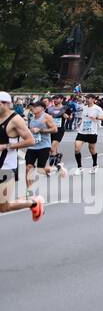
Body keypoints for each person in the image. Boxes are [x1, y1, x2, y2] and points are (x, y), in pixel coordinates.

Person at [0, 93, 44, 221]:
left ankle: (34, 203)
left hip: (6, 168)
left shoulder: (15, 119)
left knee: (3, 207)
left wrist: (5, 147)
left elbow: (30, 140)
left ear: (5, 104)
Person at [24, 98, 56, 192]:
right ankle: (29, 191)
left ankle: (57, 168)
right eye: (32, 106)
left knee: (40, 169)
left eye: (35, 106)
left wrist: (41, 130)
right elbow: (31, 130)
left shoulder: (46, 117)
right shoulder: (31, 117)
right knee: (28, 167)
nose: (32, 108)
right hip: (32, 146)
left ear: (42, 108)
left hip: (44, 146)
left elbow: (54, 129)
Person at [72, 95, 103, 173]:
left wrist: (96, 118)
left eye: (88, 98)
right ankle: (79, 167)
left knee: (92, 149)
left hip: (92, 132)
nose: (86, 100)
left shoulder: (97, 108)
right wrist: (80, 123)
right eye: (86, 98)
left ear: (93, 99)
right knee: (77, 149)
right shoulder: (84, 108)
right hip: (82, 131)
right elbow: (83, 117)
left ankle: (95, 165)